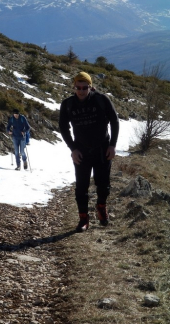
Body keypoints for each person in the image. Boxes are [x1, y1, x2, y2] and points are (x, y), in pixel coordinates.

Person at [59, 72, 119, 232]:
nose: (81, 91)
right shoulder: (68, 104)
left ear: (90, 87)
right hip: (82, 151)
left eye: (84, 87)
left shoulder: (101, 99)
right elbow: (63, 128)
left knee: (103, 184)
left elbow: (114, 121)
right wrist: (73, 149)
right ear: (74, 87)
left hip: (102, 149)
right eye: (78, 87)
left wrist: (112, 145)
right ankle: (83, 219)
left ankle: (101, 207)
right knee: (81, 187)